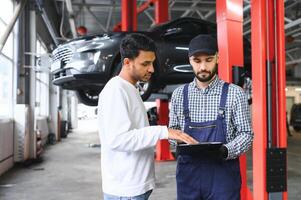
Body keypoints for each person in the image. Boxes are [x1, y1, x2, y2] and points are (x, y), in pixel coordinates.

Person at [97, 33, 198, 200]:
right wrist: (163, 132)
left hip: (134, 187)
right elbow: (118, 139)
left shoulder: (131, 88)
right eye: (145, 63)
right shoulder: (115, 90)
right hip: (126, 191)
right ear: (127, 62)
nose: (151, 69)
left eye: (152, 62)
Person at [169, 34, 254, 200]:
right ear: (190, 61)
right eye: (197, 61)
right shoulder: (179, 95)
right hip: (189, 176)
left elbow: (246, 134)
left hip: (223, 176)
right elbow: (173, 133)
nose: (203, 67)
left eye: (208, 59)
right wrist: (177, 138)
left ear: (218, 58)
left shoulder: (235, 93)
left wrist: (226, 150)